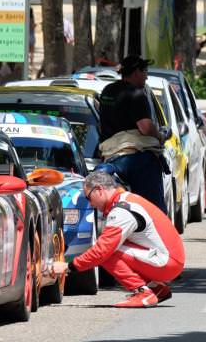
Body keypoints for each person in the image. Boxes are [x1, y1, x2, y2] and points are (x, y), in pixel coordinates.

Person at [50, 171, 184, 308]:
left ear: (99, 190)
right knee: (111, 246)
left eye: (89, 198)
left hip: (167, 262)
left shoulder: (121, 210)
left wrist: (68, 267)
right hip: (169, 258)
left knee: (107, 253)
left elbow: (101, 251)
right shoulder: (125, 199)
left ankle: (143, 293)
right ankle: (156, 289)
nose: (90, 204)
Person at [98, 55, 168, 212]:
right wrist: (160, 136)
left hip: (110, 156)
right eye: (145, 71)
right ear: (136, 72)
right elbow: (145, 127)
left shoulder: (107, 91)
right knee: (152, 208)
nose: (147, 76)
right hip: (135, 158)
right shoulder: (136, 94)